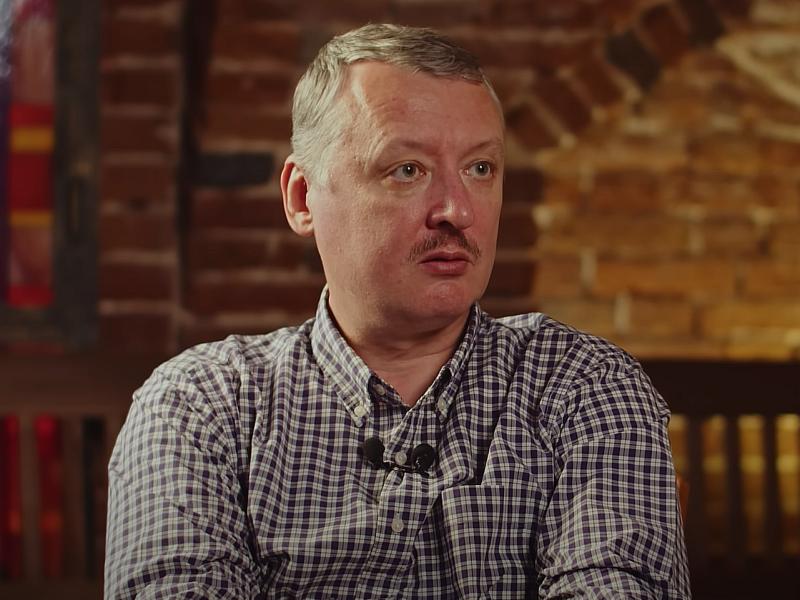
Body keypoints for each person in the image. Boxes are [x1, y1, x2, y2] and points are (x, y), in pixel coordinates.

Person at [105, 23, 690, 599]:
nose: (457, 211)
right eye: (407, 170)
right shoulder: (201, 405)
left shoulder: (586, 386)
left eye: (480, 169)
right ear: (303, 197)